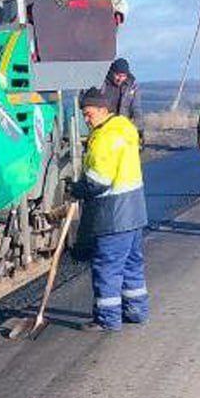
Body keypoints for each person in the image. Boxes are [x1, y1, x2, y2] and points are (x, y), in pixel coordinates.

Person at [72, 87, 149, 331]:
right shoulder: (125, 127)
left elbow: (98, 182)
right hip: (135, 212)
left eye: (89, 114)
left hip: (114, 215)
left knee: (108, 267)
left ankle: (107, 320)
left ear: (103, 110)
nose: (86, 119)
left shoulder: (103, 138)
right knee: (132, 263)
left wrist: (77, 189)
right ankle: (136, 311)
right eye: (84, 114)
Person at [102, 58, 142, 124]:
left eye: (123, 76)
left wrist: (139, 129)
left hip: (123, 125)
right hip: (105, 124)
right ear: (111, 73)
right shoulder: (103, 85)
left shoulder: (132, 86)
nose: (120, 79)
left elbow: (136, 109)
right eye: (118, 75)